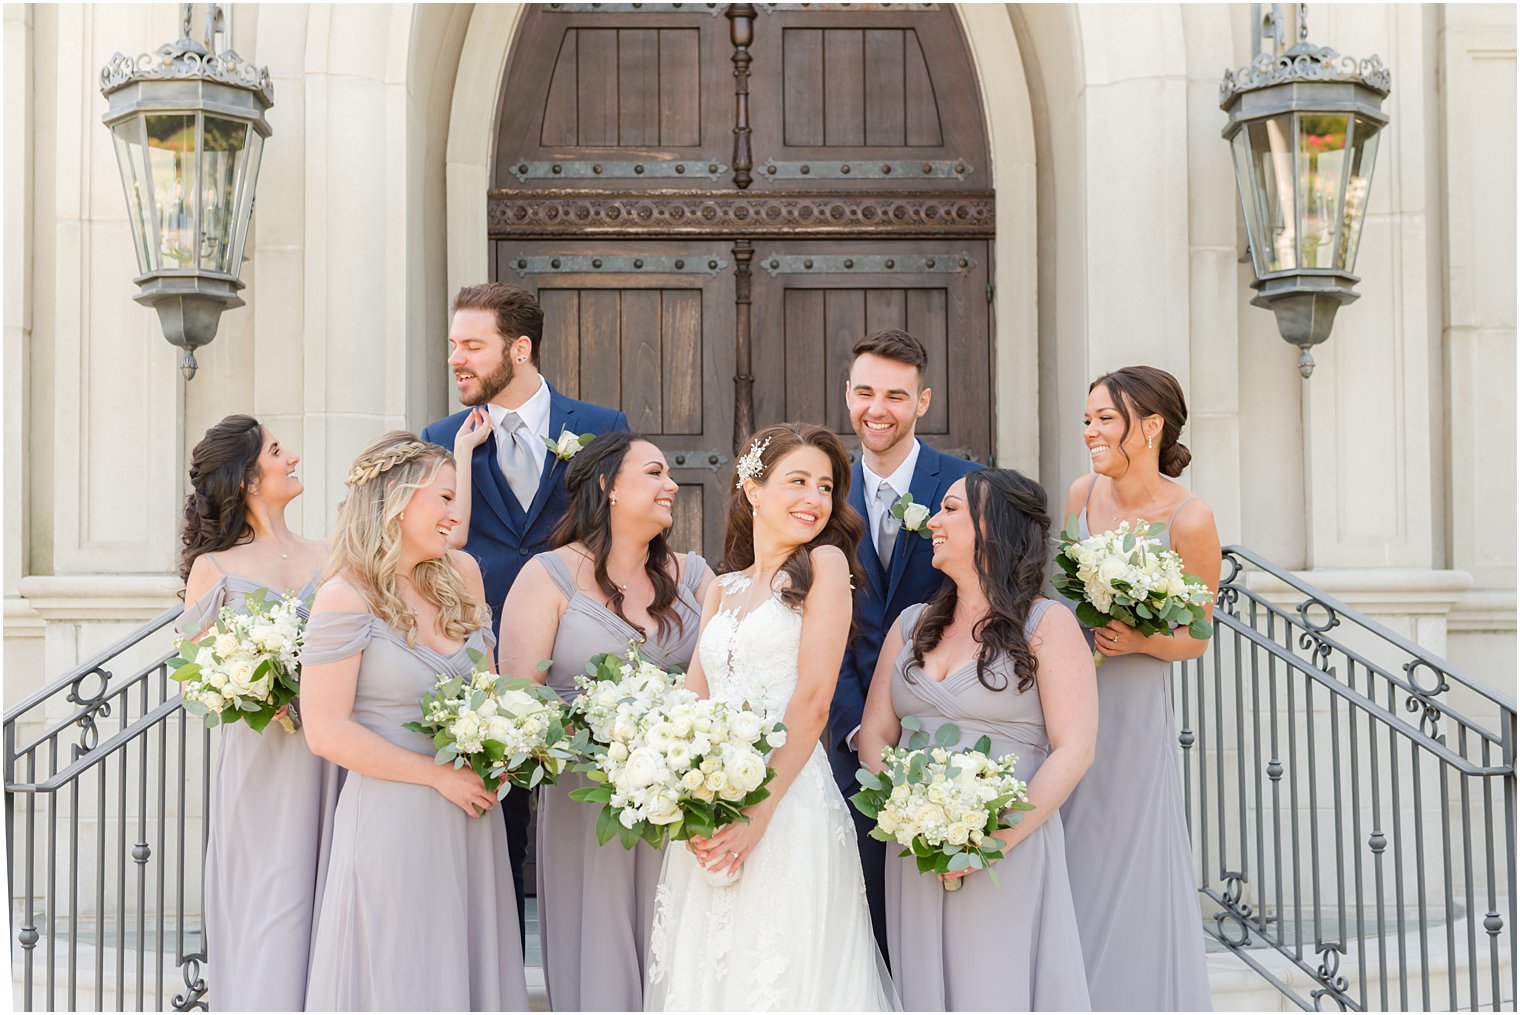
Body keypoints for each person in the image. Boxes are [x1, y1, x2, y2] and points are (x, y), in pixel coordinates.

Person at [644, 422, 897, 1012]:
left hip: (786, 807)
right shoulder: (721, 588)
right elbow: (693, 701)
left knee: (780, 976)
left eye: (826, 487)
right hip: (712, 808)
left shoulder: (825, 566)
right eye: (797, 481)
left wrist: (757, 814)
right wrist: (682, 793)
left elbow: (812, 702)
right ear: (753, 488)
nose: (814, 499)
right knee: (711, 972)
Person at [420, 281, 629, 942]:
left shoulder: (601, 427)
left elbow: (615, 535)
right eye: (453, 344)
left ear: (519, 348)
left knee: (587, 816)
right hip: (479, 659)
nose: (456, 358)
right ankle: (502, 968)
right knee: (494, 823)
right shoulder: (440, 436)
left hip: (577, 652)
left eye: (472, 346)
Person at [300, 433, 528, 1011]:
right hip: (394, 817)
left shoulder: (464, 576)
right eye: (445, 498)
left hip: (472, 812)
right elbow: (325, 729)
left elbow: (491, 689)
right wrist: (436, 776)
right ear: (397, 500)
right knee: (403, 974)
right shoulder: (345, 596)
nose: (458, 514)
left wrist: (511, 746)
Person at [857, 470, 1097, 1011]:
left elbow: (1075, 748)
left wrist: (991, 840)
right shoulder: (911, 625)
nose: (934, 523)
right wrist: (905, 808)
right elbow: (875, 731)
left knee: (995, 987)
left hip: (1002, 849)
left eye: (950, 510)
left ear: (995, 527)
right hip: (915, 849)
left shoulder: (1046, 623)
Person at [501, 432, 713, 1011]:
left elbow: (727, 675)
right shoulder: (548, 577)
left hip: (679, 798)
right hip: (588, 797)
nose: (671, 484)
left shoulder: (694, 576)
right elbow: (519, 700)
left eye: (670, 473)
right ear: (607, 486)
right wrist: (603, 741)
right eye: (653, 473)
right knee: (599, 949)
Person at [1059, 365, 1219, 1011]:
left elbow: (1198, 636)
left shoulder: (1190, 516)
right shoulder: (1081, 493)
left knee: (1124, 848)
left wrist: (1141, 639)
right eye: (1089, 417)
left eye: (1106, 418)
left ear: (1149, 425)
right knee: (1068, 842)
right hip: (1073, 690)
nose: (1092, 430)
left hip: (1133, 701)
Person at [176, 414, 336, 1013]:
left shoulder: (330, 554)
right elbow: (197, 681)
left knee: (329, 900)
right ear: (247, 477)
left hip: (332, 753)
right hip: (264, 763)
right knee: (271, 906)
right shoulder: (213, 570)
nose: (293, 456)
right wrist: (260, 688)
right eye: (277, 450)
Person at [830, 329, 982, 954]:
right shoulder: (820, 487)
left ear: (922, 402)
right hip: (839, 734)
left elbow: (990, 601)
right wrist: (855, 729)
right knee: (854, 915)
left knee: (934, 926)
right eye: (864, 392)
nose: (877, 409)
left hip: (938, 736)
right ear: (847, 395)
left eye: (895, 395)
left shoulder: (970, 485)